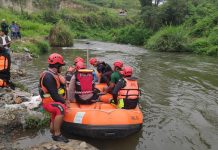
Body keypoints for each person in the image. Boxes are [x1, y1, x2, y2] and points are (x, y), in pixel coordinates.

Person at [39, 53, 69, 143]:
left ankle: (52, 131)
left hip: (51, 101)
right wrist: (65, 102)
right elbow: (55, 96)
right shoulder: (48, 77)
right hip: (48, 102)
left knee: (57, 109)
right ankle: (57, 135)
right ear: (56, 65)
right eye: (61, 66)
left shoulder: (52, 74)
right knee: (61, 108)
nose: (62, 68)